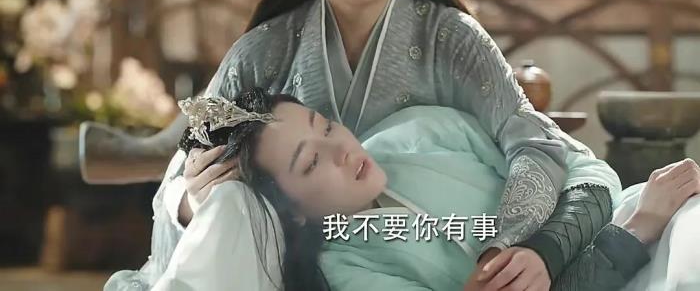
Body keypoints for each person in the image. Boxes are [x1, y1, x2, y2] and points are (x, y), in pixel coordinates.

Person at [107, 0, 631, 290]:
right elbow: (184, 177)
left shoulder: (451, 38)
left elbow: (536, 144)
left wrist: (506, 247)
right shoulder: (262, 51)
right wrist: (192, 203)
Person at [133, 89, 700, 291]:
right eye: (312, 162)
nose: (341, 149)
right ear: (294, 214)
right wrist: (634, 232)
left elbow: (583, 168)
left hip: (625, 223)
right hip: (621, 251)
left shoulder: (425, 128)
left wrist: (544, 248)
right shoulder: (348, 271)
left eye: (325, 126)